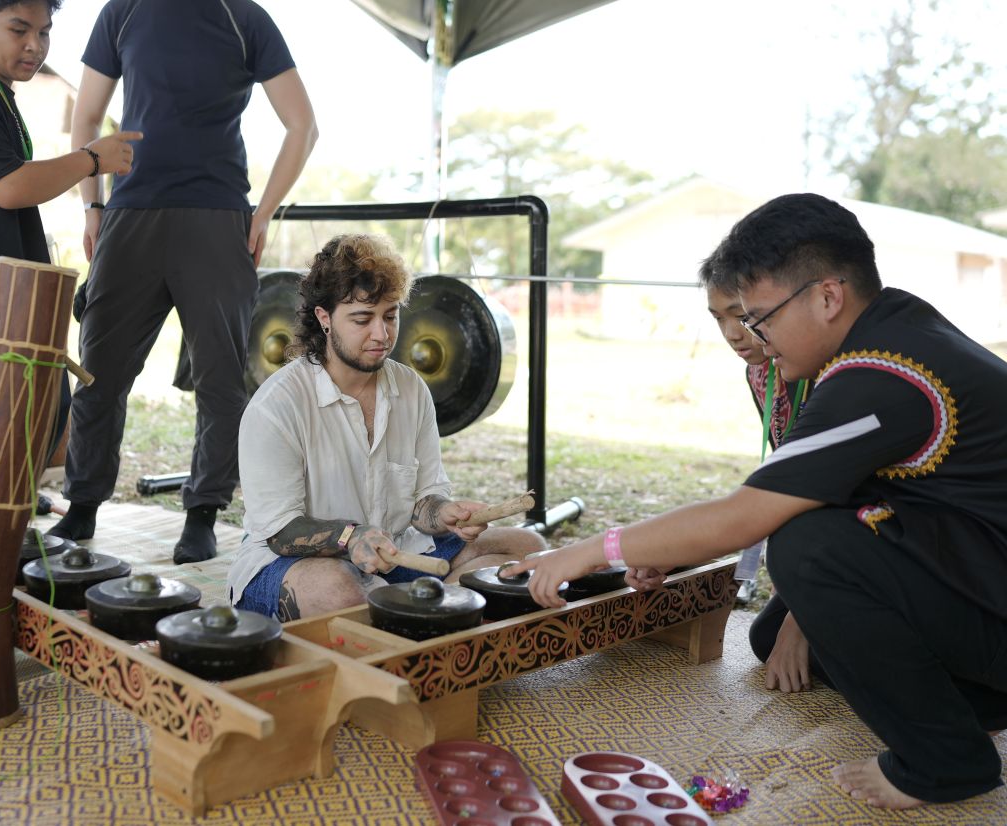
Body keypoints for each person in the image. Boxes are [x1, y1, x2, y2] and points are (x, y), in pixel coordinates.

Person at [508, 193, 1007, 810]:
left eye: (760, 316)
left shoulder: (880, 375)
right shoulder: (899, 325)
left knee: (806, 551)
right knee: (781, 628)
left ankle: (944, 763)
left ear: (827, 296)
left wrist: (595, 548)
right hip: (975, 565)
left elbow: (747, 515)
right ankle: (978, 706)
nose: (756, 337)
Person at [48, 0, 319, 564]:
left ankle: (202, 514)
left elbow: (303, 125)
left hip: (218, 218)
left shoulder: (244, 17)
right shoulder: (121, 12)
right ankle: (82, 505)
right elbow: (87, 116)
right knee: (98, 370)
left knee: (220, 382)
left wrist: (263, 212)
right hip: (130, 213)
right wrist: (92, 205)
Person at [228, 234, 546, 621]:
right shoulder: (276, 405)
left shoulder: (411, 389)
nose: (382, 335)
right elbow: (279, 531)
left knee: (527, 548)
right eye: (363, 319)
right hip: (292, 563)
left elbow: (423, 503)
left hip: (398, 554)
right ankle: (413, 611)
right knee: (337, 592)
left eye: (390, 316)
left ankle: (412, 613)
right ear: (324, 318)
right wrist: (350, 537)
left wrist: (443, 512)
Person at [0, 0, 139, 512]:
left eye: (44, 32)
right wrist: (91, 159)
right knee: (22, 410)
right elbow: (9, 187)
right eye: (19, 30)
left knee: (29, 410)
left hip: (8, 289)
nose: (35, 45)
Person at [697, 259, 822, 694]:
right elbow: (783, 467)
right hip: (817, 532)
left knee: (790, 634)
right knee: (764, 638)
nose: (733, 334)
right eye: (719, 319)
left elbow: (834, 495)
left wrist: (802, 617)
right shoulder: (758, 370)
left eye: (744, 316)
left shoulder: (829, 370)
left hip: (869, 538)